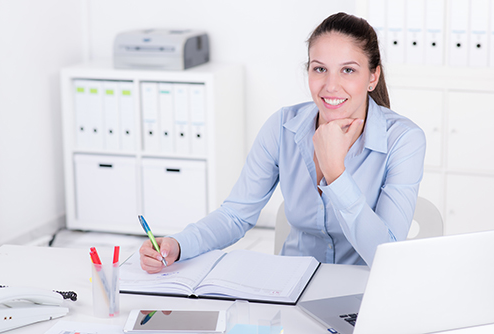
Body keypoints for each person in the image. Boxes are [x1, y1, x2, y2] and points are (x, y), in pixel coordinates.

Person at [139, 12, 426, 273]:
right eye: (319, 69)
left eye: (348, 70)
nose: (330, 85)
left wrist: (336, 173)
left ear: (373, 77)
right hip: (292, 290)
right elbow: (236, 214)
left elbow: (385, 256)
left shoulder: (404, 140)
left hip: (362, 296)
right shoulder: (282, 127)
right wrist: (177, 244)